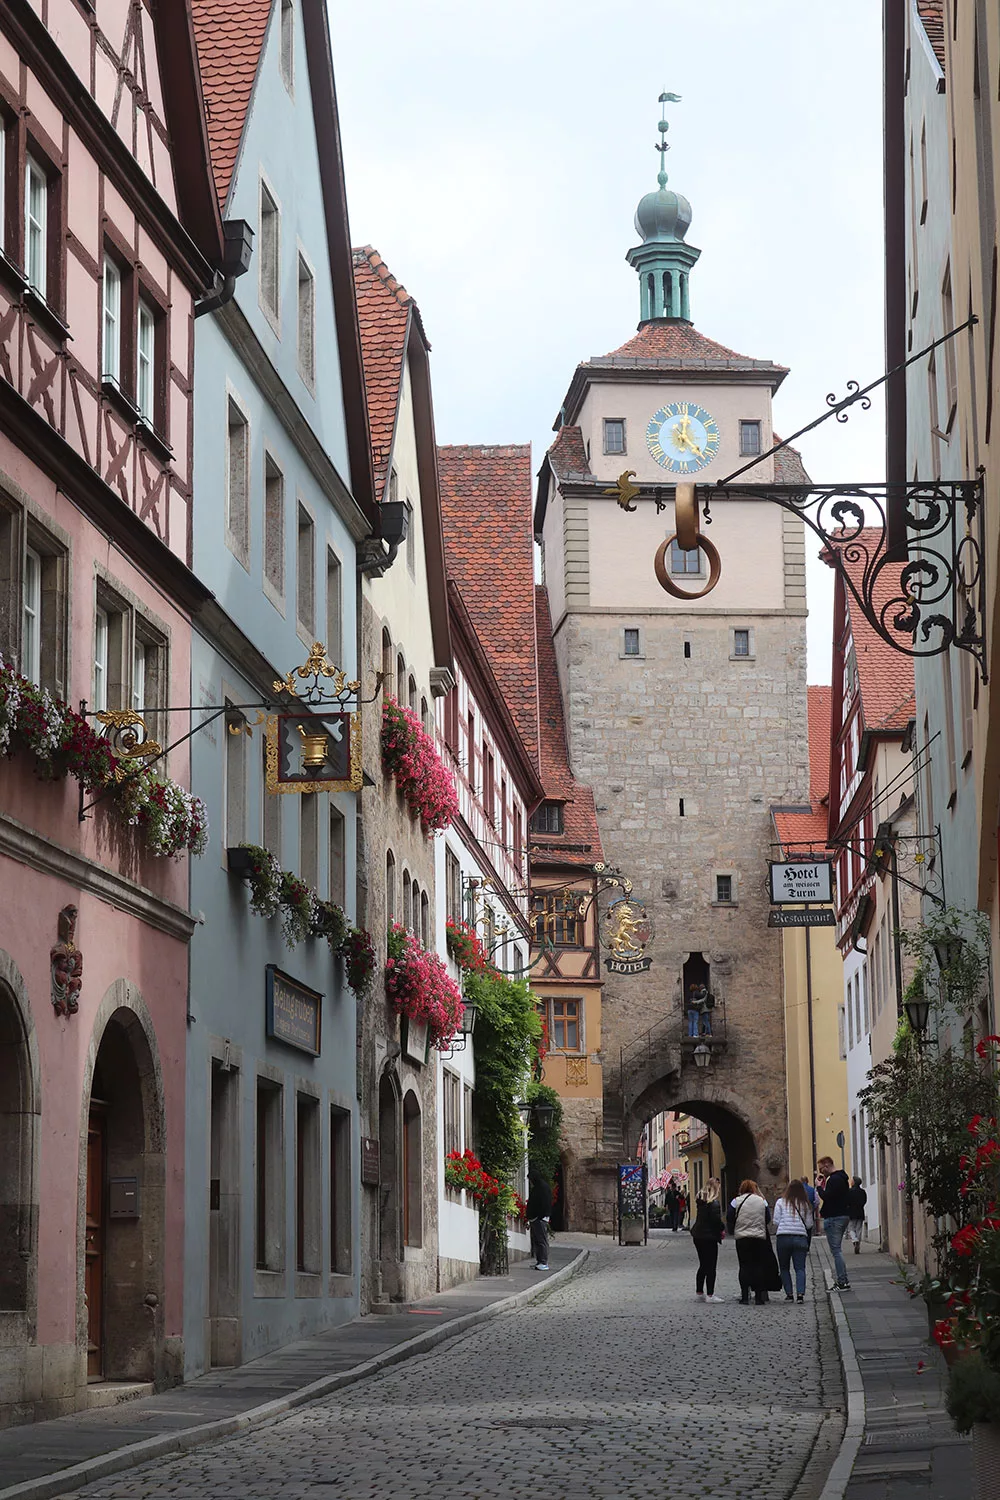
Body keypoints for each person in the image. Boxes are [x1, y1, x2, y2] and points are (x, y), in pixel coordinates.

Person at [727, 1178, 772, 1304]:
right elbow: (767, 1218)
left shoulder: (736, 1201)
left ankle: (745, 1296)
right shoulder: (762, 1201)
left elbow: (729, 1217)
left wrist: (737, 1225)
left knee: (744, 1265)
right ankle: (758, 1297)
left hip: (742, 1237)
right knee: (758, 1265)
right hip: (758, 1237)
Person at [773, 1180, 814, 1302]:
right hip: (800, 1237)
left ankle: (789, 1294)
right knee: (800, 1268)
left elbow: (776, 1221)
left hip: (783, 1237)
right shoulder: (805, 1204)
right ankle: (800, 1294)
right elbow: (809, 1224)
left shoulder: (780, 1202)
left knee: (784, 1267)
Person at [816, 1154, 852, 1289]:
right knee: (837, 1250)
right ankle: (843, 1280)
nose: (821, 1172)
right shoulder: (842, 1178)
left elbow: (827, 1197)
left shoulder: (834, 1179)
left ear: (827, 1165)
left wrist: (819, 1187)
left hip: (834, 1217)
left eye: (821, 1169)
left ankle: (842, 1281)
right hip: (843, 1215)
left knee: (836, 1251)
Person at [692, 1178, 725, 1302]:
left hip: (698, 1235)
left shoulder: (700, 1201)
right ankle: (710, 1295)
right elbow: (716, 1221)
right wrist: (722, 1229)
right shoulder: (714, 1204)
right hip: (709, 1237)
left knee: (703, 1264)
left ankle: (699, 1292)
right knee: (711, 1266)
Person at [526, 1166, 552, 1270]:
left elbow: (544, 1204)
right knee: (538, 1241)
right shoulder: (539, 1187)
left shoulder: (542, 1188)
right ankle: (540, 1261)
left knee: (541, 1241)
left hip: (539, 1218)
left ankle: (543, 1262)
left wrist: (539, 1216)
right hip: (537, 1218)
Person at [847, 1176, 868, 1255]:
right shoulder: (862, 1191)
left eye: (852, 1180)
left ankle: (854, 1239)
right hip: (860, 1211)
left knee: (851, 1228)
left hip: (851, 1212)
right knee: (859, 1228)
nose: (851, 1182)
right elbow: (864, 1201)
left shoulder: (849, 1191)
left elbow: (847, 1201)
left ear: (854, 1182)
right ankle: (858, 1243)